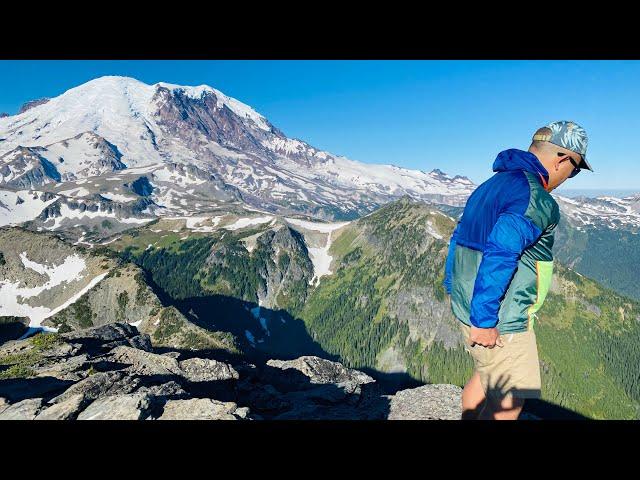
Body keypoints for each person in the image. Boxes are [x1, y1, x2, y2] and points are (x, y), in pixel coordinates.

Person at [443, 121, 593, 420]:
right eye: (575, 169)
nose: (570, 176)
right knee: (509, 404)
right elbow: (502, 253)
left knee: (487, 376)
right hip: (502, 316)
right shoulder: (535, 197)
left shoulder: (491, 185)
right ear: (562, 159)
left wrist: (455, 290)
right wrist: (484, 320)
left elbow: (458, 238)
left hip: (469, 304)